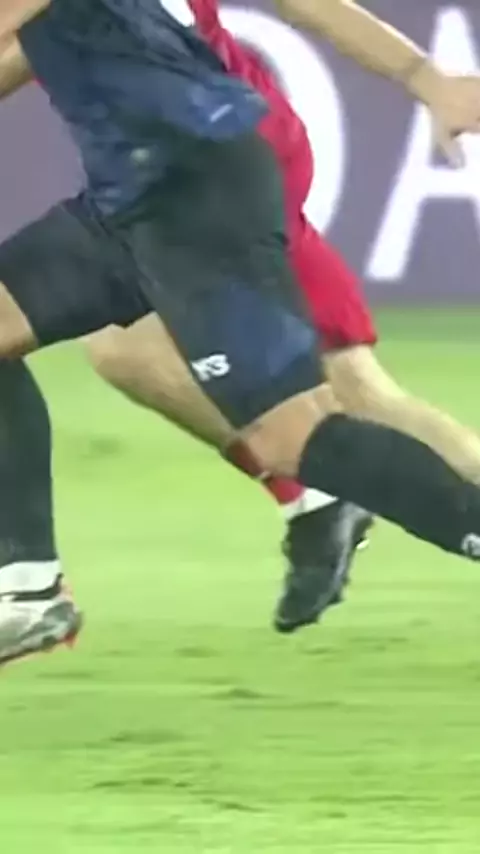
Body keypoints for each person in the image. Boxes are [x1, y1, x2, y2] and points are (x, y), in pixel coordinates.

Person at [2, 0, 480, 667]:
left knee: (296, 435)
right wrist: (424, 77)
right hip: (129, 195)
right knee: (123, 355)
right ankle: (26, 589)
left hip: (196, 194)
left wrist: (424, 77)